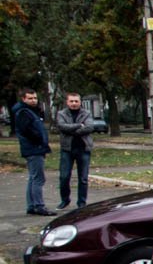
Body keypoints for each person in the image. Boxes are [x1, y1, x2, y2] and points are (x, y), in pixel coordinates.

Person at [12, 87, 55, 215]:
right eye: (30, 98)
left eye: (35, 98)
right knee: (38, 178)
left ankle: (32, 205)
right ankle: (39, 205)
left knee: (33, 177)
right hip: (33, 149)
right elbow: (26, 130)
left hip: (33, 148)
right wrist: (39, 140)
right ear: (23, 99)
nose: (33, 100)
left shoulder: (30, 111)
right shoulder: (24, 112)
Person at [55, 92, 94, 209]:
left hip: (83, 148)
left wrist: (71, 129)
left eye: (76, 101)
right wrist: (79, 126)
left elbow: (90, 127)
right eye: (71, 101)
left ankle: (81, 203)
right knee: (64, 177)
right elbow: (62, 127)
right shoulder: (61, 113)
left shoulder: (86, 113)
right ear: (67, 102)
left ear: (80, 102)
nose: (74, 103)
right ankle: (65, 200)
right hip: (67, 149)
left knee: (83, 178)